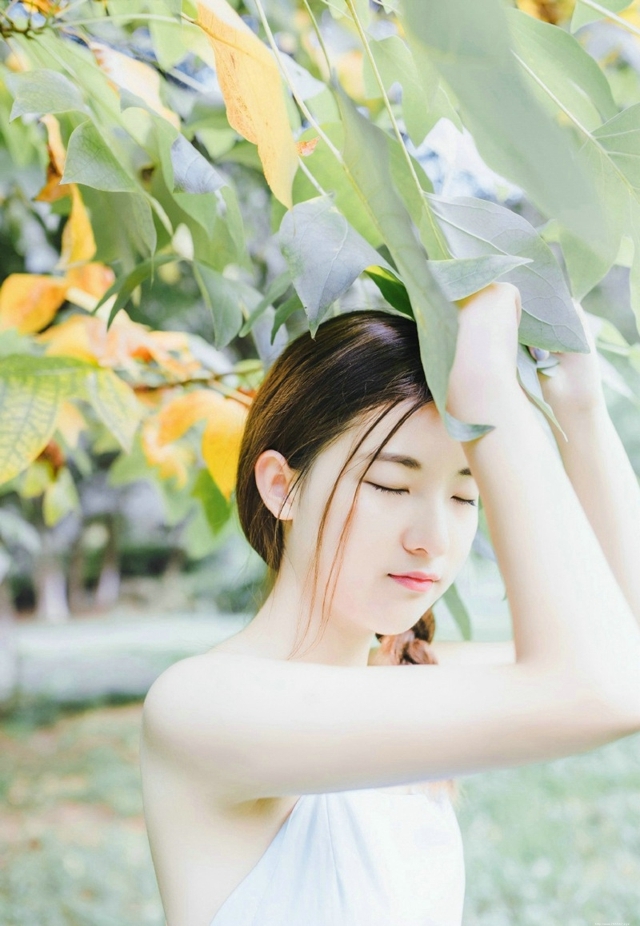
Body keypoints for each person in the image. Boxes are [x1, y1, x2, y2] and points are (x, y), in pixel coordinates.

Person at [140, 283, 640, 926]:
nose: (432, 540)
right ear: (282, 488)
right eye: (390, 484)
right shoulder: (199, 707)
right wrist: (486, 388)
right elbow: (601, 691)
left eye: (466, 497)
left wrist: (582, 408)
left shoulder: (412, 677)